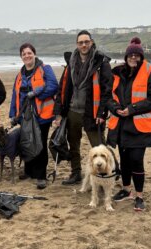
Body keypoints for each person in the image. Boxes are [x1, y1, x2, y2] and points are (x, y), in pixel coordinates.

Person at [107, 37, 151, 211]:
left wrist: (132, 109)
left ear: (141, 56)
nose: (133, 58)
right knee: (124, 159)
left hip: (140, 125)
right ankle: (126, 190)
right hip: (121, 124)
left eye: (136, 55)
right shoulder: (117, 73)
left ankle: (139, 196)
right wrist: (116, 109)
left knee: (136, 160)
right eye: (130, 55)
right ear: (126, 57)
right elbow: (107, 97)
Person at [53, 30, 112, 185]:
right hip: (72, 111)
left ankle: (105, 175)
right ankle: (76, 172)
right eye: (81, 43)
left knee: (99, 146)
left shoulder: (101, 62)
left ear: (91, 42)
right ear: (77, 44)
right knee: (73, 144)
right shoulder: (70, 62)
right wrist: (58, 113)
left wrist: (102, 112)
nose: (84, 45)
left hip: (92, 112)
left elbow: (107, 90)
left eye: (86, 42)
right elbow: (62, 88)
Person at [9, 43, 58, 189]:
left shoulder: (45, 69)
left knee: (40, 143)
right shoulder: (20, 75)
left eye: (29, 53)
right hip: (25, 115)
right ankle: (29, 170)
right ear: (21, 57)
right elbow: (15, 95)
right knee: (27, 142)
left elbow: (53, 86)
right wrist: (13, 114)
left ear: (34, 54)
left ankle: (41, 176)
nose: (27, 56)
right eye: (24, 54)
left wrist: (36, 94)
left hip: (42, 114)